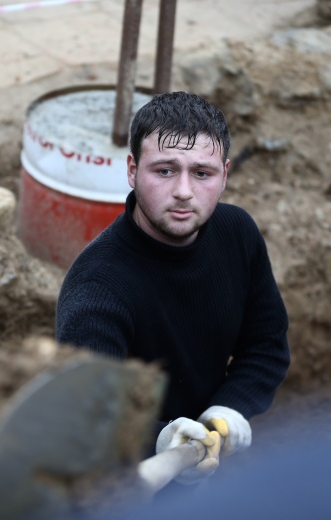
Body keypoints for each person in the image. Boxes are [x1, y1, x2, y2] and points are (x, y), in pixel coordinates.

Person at [55, 91, 290, 487]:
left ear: (225, 174)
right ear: (132, 170)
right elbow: (89, 419)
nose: (183, 191)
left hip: (215, 457)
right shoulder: (97, 290)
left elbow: (266, 347)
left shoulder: (238, 234)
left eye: (202, 173)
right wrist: (161, 441)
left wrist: (225, 414)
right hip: (131, 485)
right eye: (164, 170)